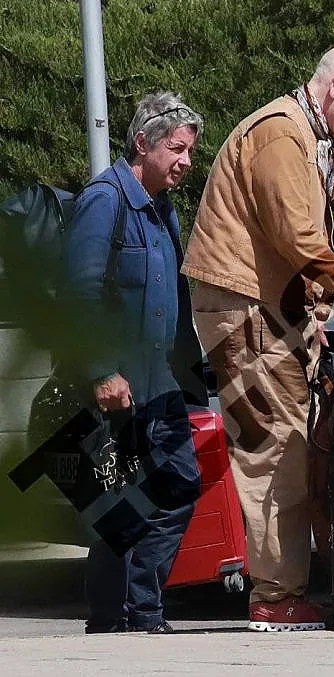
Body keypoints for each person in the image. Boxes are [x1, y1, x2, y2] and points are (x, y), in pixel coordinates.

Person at [183, 42, 334, 632]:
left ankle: (282, 590)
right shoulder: (282, 134)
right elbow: (299, 238)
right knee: (275, 449)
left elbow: (298, 244)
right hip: (244, 310)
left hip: (260, 309)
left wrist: (316, 319)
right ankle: (276, 597)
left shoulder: (307, 136)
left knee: (287, 445)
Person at [61, 91, 207, 634]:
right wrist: (101, 370)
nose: (187, 161)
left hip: (159, 383)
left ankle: (143, 607)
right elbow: (77, 295)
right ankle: (113, 620)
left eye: (190, 151)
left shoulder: (162, 209)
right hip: (114, 386)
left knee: (178, 484)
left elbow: (175, 300)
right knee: (118, 505)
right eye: (178, 149)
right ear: (142, 144)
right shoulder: (106, 200)